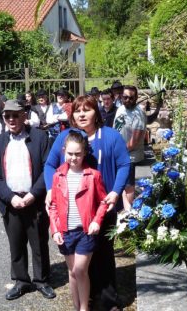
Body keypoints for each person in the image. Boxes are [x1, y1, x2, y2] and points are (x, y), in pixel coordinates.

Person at [44, 95, 130, 311]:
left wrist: (116, 192)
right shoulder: (66, 137)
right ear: (72, 115)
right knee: (81, 262)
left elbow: (124, 164)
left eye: (87, 110)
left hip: (103, 208)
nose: (82, 114)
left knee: (104, 255)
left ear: (96, 113)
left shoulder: (110, 136)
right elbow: (49, 166)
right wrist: (49, 190)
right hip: (75, 212)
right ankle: (86, 300)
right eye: (77, 111)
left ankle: (109, 301)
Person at [0, 100, 56, 302]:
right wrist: (10, 197)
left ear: (24, 116)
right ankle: (21, 281)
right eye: (7, 116)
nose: (11, 119)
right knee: (16, 244)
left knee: (39, 243)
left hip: (33, 200)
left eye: (15, 115)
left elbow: (47, 169)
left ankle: (42, 280)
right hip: (11, 203)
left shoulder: (40, 137)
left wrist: (33, 194)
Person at [50, 131, 109, 311]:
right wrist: (55, 230)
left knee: (80, 270)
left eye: (78, 154)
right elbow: (53, 205)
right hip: (66, 232)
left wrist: (96, 221)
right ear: (63, 151)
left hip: (85, 231)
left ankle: (85, 308)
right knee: (71, 272)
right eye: (70, 153)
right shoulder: (58, 176)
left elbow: (103, 202)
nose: (74, 158)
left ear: (84, 153)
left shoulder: (93, 176)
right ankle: (77, 306)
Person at [113, 85, 147, 210]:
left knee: (128, 186)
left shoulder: (138, 114)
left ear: (136, 98)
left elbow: (134, 142)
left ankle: (128, 212)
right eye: (125, 97)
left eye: (131, 98)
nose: (127, 100)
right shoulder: (121, 108)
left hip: (130, 156)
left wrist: (117, 152)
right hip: (119, 153)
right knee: (119, 183)